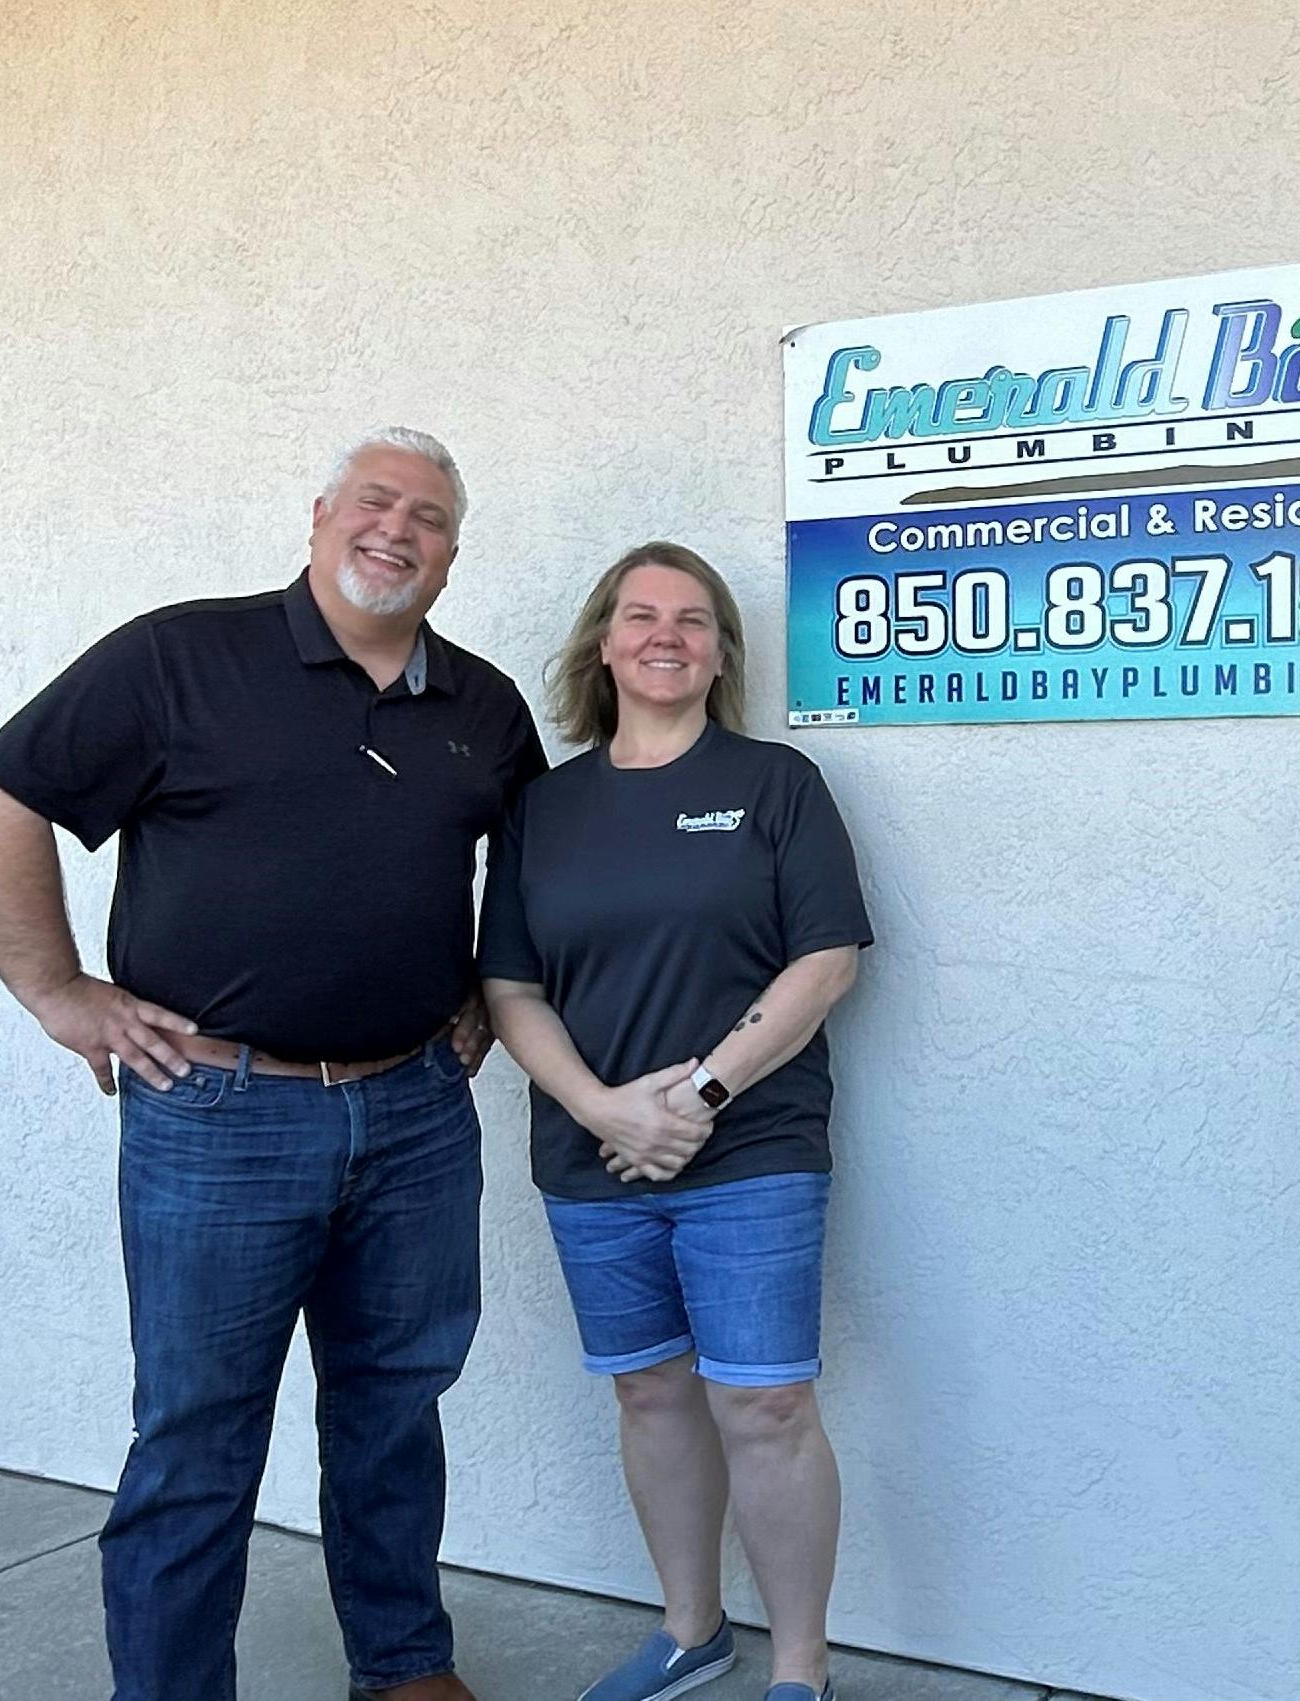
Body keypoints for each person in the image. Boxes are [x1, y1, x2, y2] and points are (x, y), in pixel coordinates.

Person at [0, 427, 545, 1701]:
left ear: (452, 551)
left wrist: (490, 996)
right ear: (321, 515)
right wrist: (57, 991)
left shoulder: (482, 703)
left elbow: (533, 864)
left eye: (430, 516)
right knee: (198, 1438)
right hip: (219, 1113)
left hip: (416, 1113)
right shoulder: (181, 656)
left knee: (394, 1413)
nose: (398, 529)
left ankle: (401, 1666)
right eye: (375, 502)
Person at [479, 542, 871, 1701]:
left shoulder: (774, 784)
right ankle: (692, 1632)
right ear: (603, 642)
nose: (668, 635)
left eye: (694, 620)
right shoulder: (543, 808)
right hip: (591, 1155)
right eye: (642, 615)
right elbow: (509, 988)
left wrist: (698, 1096)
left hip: (750, 1147)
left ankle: (799, 1670)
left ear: (719, 653)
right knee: (649, 1391)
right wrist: (606, 1107)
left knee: (766, 1400)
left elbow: (829, 959)